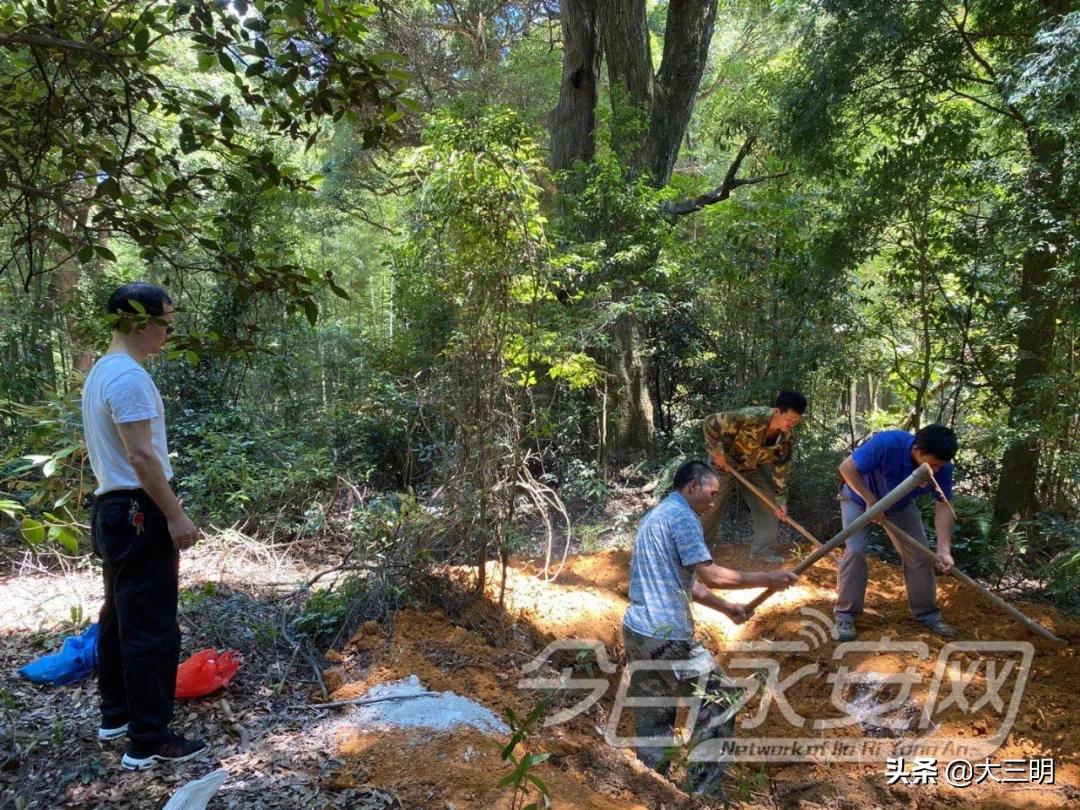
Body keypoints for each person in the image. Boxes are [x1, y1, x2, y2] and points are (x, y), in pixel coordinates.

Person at [81, 282, 207, 770]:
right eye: (165, 322)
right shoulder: (128, 377)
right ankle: (148, 739)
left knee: (118, 617)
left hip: (114, 510)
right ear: (138, 320)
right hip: (137, 509)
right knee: (150, 626)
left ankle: (116, 717)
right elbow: (141, 455)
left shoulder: (101, 372)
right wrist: (174, 514)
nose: (168, 333)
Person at [622, 460, 798, 797]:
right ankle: (704, 795)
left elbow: (689, 583)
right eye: (711, 493)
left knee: (654, 714)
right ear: (692, 487)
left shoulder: (655, 517)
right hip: (667, 635)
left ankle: (651, 791)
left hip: (637, 630)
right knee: (722, 698)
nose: (713, 502)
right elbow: (711, 575)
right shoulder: (683, 517)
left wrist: (728, 607)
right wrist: (768, 579)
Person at [833, 423, 959, 642]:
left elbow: (944, 505)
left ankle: (927, 613)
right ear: (916, 451)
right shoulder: (888, 443)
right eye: (933, 464)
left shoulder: (942, 467)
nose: (936, 470)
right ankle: (845, 614)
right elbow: (846, 467)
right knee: (855, 551)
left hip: (899, 506)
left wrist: (943, 549)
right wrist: (870, 500)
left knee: (920, 555)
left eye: (940, 466)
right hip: (858, 498)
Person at [701, 390, 807, 562]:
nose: (791, 424)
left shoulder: (787, 437)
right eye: (789, 419)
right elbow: (710, 423)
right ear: (777, 411)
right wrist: (718, 452)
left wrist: (781, 500)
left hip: (751, 468)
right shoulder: (750, 417)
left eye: (796, 420)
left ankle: (762, 553)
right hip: (724, 465)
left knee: (769, 505)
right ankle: (697, 551)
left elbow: (782, 466)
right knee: (710, 506)